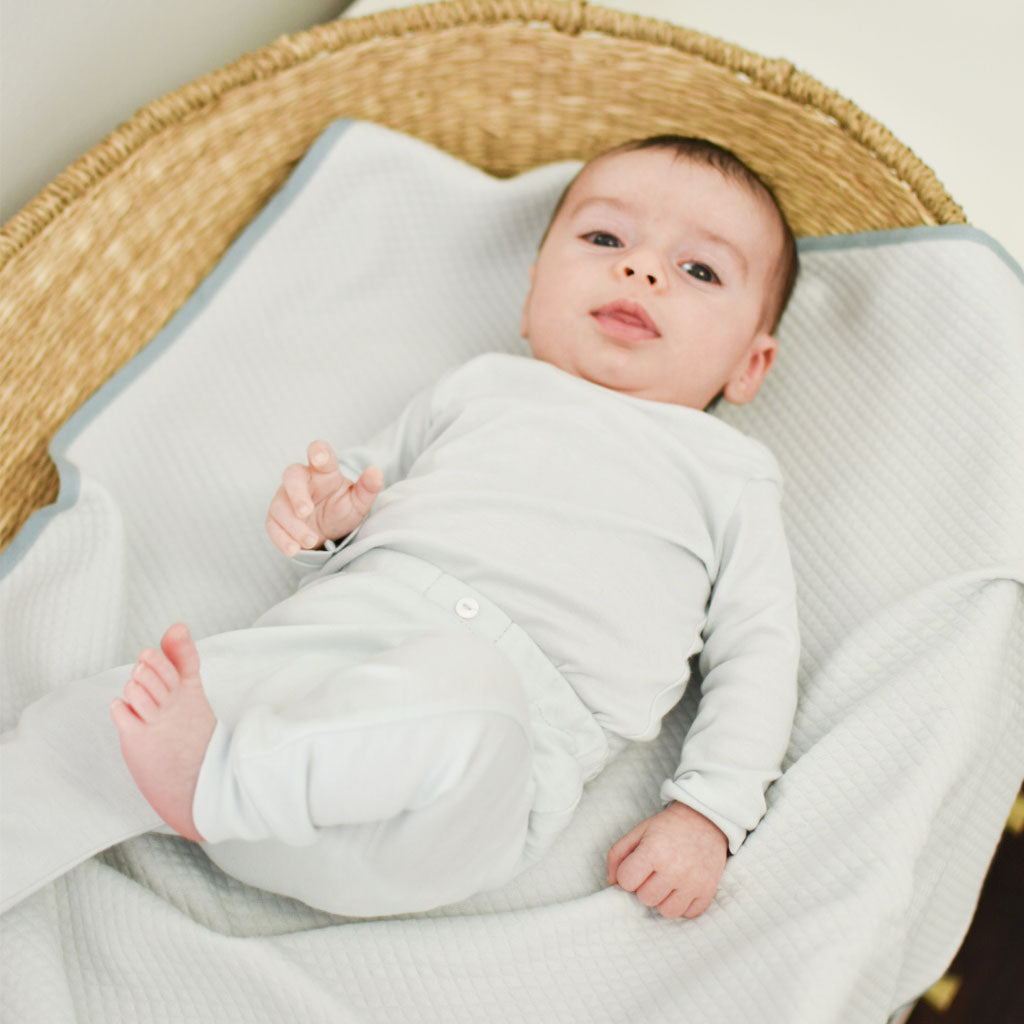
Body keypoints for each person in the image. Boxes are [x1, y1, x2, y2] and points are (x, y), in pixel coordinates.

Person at [109, 135, 801, 921]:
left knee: (469, 688)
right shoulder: (482, 387)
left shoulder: (726, 472)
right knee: (99, 716)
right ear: (533, 289)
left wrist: (709, 813)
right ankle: (196, 776)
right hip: (317, 668)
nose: (640, 270)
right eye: (605, 239)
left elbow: (760, 652)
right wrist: (327, 524)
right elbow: (367, 483)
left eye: (699, 270)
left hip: (459, 787)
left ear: (750, 364)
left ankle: (218, 781)